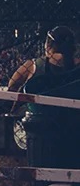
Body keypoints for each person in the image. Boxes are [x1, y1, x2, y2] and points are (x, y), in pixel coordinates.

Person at [7, 26, 80, 169]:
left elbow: (12, 87)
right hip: (75, 130)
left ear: (48, 45)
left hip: (41, 134)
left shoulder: (33, 65)